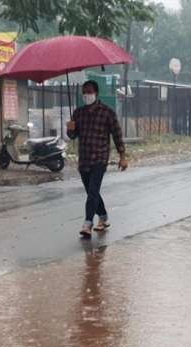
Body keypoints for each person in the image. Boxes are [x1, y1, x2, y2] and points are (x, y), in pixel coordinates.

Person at [67, 80, 128, 238]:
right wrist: (70, 128)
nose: (86, 95)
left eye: (89, 92)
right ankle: (103, 217)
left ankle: (87, 223)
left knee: (93, 191)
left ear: (96, 93)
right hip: (84, 159)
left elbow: (117, 135)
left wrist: (122, 156)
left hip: (100, 158)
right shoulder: (78, 113)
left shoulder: (107, 112)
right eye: (84, 92)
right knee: (91, 192)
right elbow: (73, 136)